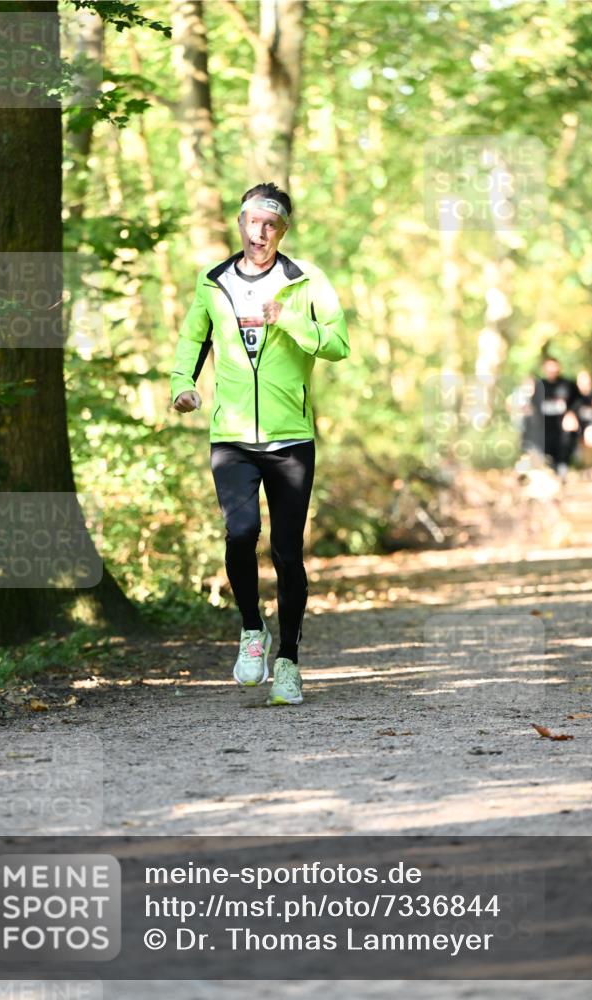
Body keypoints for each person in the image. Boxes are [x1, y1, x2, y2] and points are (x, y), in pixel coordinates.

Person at [170, 182, 350, 706]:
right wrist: (182, 384)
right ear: (241, 223)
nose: (260, 232)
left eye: (272, 224)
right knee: (239, 532)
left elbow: (337, 344)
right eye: (253, 221)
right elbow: (192, 340)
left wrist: (289, 318)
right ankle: (253, 629)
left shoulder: (306, 281)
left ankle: (289, 661)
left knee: (288, 553)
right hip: (231, 437)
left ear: (282, 230)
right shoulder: (214, 281)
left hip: (291, 438)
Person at [532, 356, 580, 482]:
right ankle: (549, 472)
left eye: (555, 366)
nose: (552, 369)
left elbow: (578, 401)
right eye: (549, 366)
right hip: (545, 426)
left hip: (562, 425)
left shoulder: (568, 384)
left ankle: (563, 469)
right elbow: (534, 405)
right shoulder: (539, 385)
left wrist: (571, 414)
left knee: (566, 441)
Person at [573, 369, 592, 478]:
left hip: (591, 423)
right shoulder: (574, 395)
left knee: (589, 444)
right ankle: (583, 468)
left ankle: (590, 467)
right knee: (580, 448)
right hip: (578, 425)